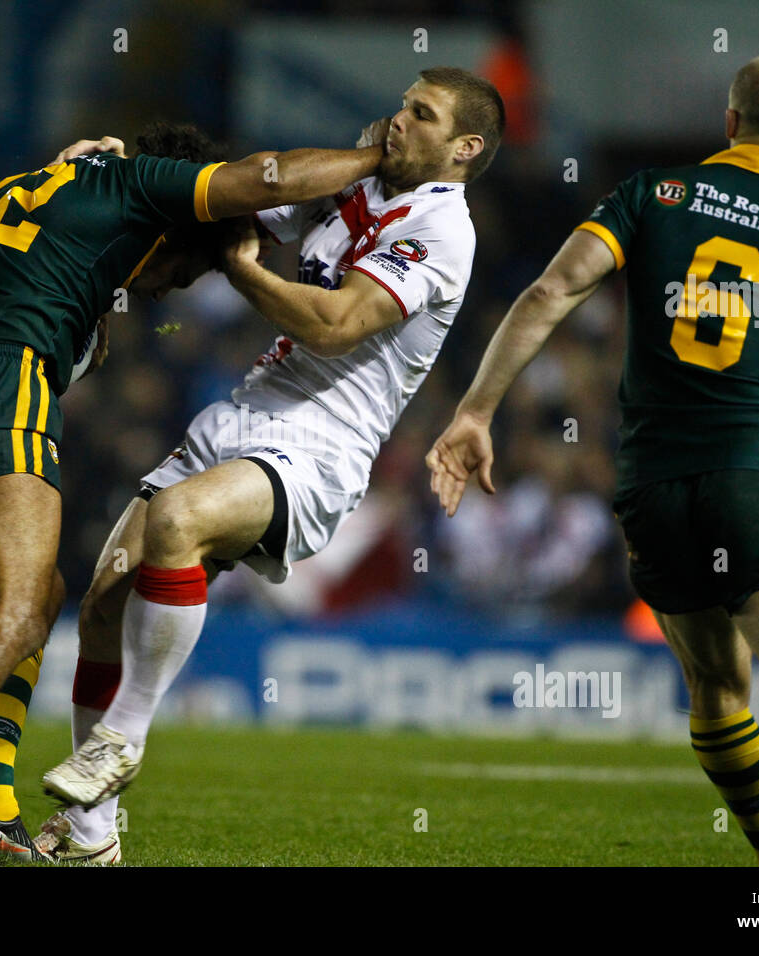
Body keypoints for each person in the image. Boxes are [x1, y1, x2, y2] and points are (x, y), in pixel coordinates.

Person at [426, 52, 759, 867]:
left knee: (719, 692)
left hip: (650, 492)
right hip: (754, 481)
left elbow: (550, 291)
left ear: (729, 124)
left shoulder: (657, 194)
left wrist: (475, 411)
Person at [0, 121, 389, 866]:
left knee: (39, 596)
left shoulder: (42, 184)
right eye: (182, 270)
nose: (167, 286)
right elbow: (268, 175)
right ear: (178, 224)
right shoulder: (140, 186)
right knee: (9, 607)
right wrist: (376, 158)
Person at [27, 67, 503, 864]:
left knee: (178, 521)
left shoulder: (445, 230)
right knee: (105, 594)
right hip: (245, 413)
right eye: (402, 102)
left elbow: (335, 323)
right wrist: (118, 177)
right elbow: (241, 200)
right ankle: (89, 837)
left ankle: (123, 738)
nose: (398, 119)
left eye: (421, 115)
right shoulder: (358, 181)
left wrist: (246, 270)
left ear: (464, 147)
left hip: (321, 446)